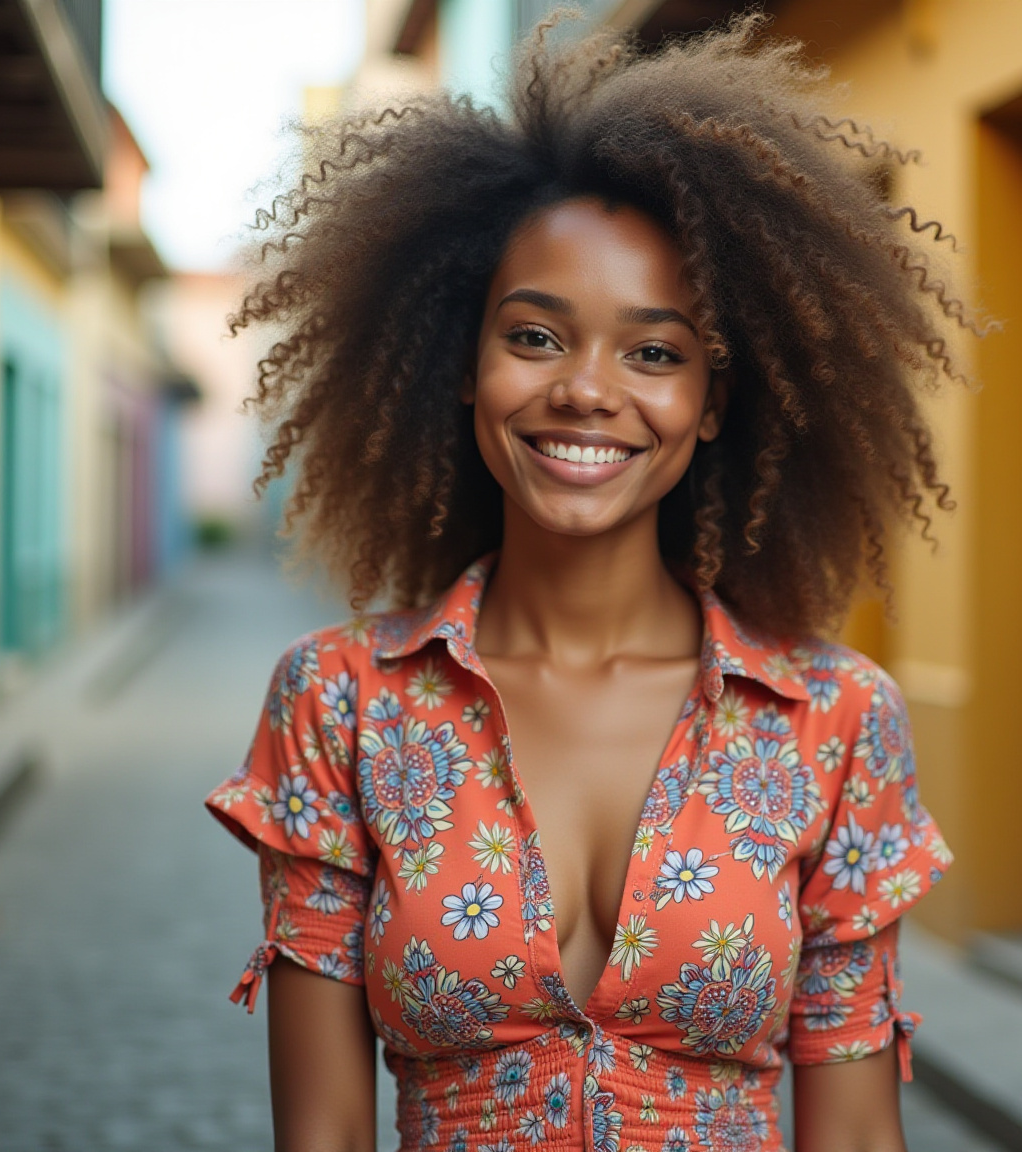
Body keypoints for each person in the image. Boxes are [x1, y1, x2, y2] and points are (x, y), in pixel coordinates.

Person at [204, 17, 965, 1151]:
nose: (586, 391)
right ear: (462, 367)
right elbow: (320, 1135)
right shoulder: (340, 703)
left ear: (711, 403)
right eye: (534, 337)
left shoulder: (833, 720)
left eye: (653, 353)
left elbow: (854, 1134)